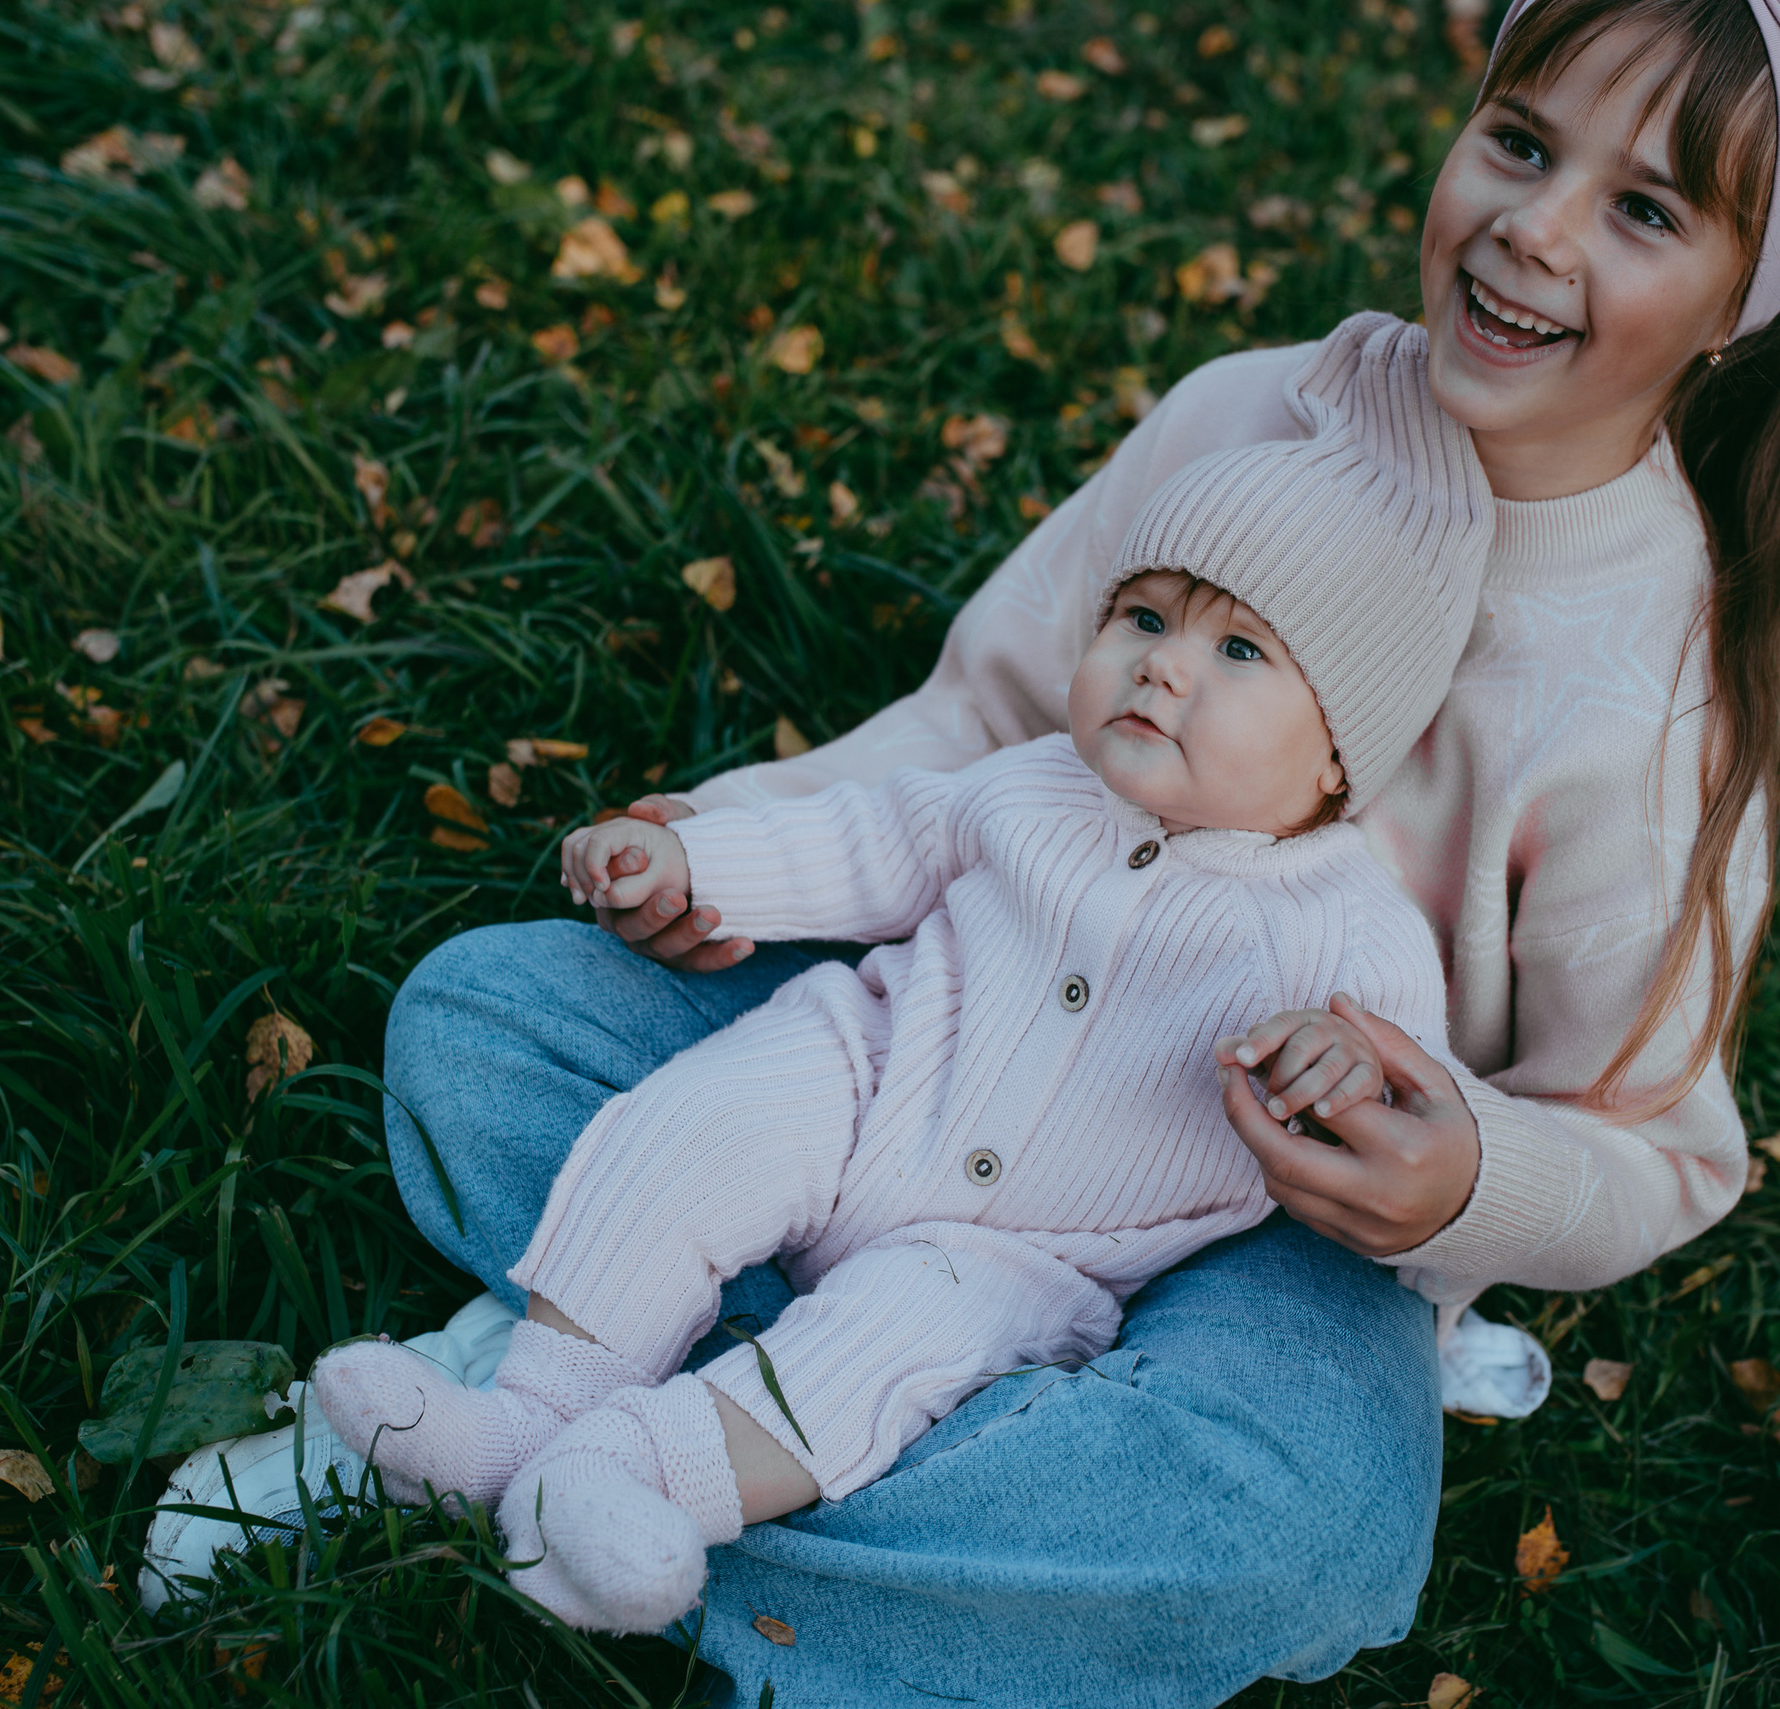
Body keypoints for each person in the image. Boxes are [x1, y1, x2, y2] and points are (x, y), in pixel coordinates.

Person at [146, 0, 1780, 1698]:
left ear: (1744, 300)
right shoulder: (1253, 412)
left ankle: (587, 1399)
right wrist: (735, 840)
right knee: (490, 1018)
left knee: (1301, 1531)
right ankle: (757, 1442)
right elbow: (982, 721)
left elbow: (1659, 1149)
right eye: (1515, 140)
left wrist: (1458, 1176)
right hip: (948, 1034)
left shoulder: (1649, 704)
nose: (1532, 232)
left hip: (1259, 1235)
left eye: (1640, 208)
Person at [307, 349, 1494, 1631]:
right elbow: (865, 841)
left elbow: (1384, 1089)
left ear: (1336, 755)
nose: (1163, 666)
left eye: (1240, 647)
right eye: (1142, 617)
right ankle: (526, 1411)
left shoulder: (1348, 926)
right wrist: (696, 853)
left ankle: (625, 1476)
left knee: (877, 1351)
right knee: (688, 1130)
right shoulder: (1032, 784)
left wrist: (1333, 1068)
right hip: (866, 1078)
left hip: (1021, 1252)